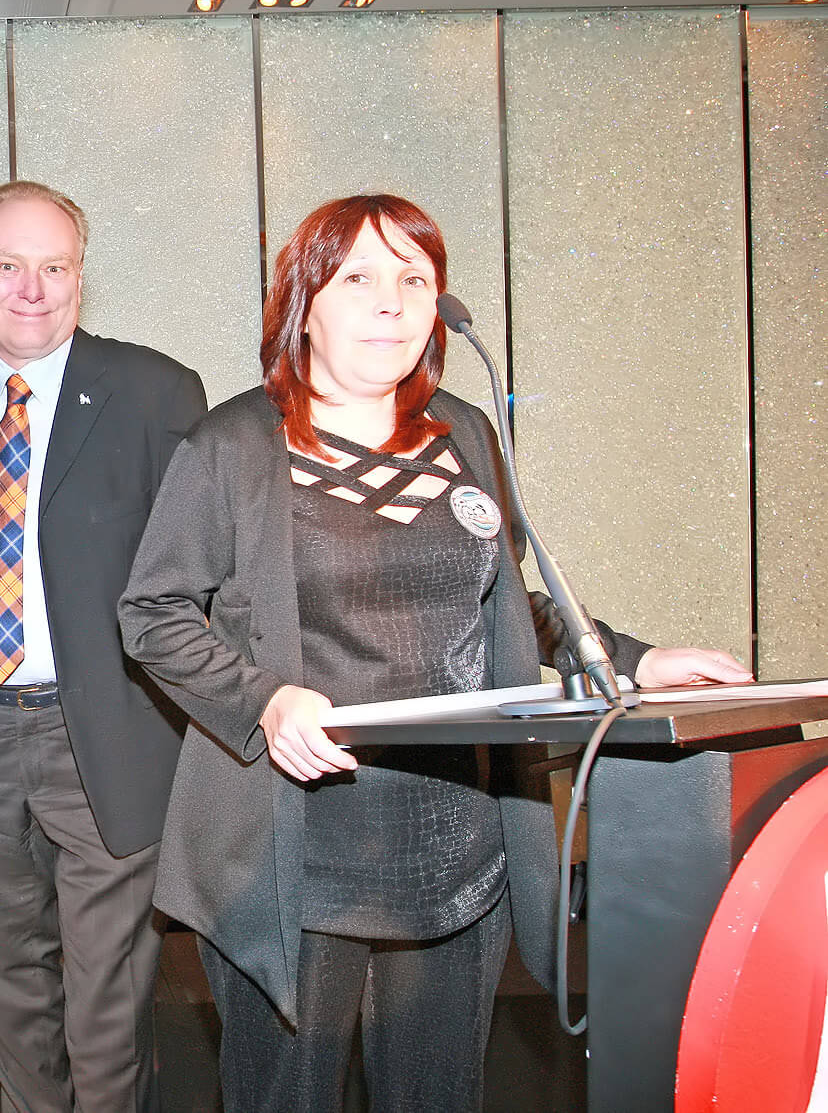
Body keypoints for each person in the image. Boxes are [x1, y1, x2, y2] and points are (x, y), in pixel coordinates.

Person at [117, 192, 751, 1112]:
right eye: (359, 278)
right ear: (304, 305)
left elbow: (502, 603)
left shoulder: (465, 434)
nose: (391, 301)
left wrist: (629, 658)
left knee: (439, 1094)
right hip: (299, 846)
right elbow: (153, 611)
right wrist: (263, 699)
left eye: (414, 279)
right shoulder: (236, 442)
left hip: (455, 843)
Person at [0, 181, 207, 1113]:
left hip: (104, 731)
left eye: (54, 266)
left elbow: (198, 571)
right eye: (8, 265)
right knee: (3, 985)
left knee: (106, 1003)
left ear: (81, 276)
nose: (31, 288)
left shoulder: (156, 391)